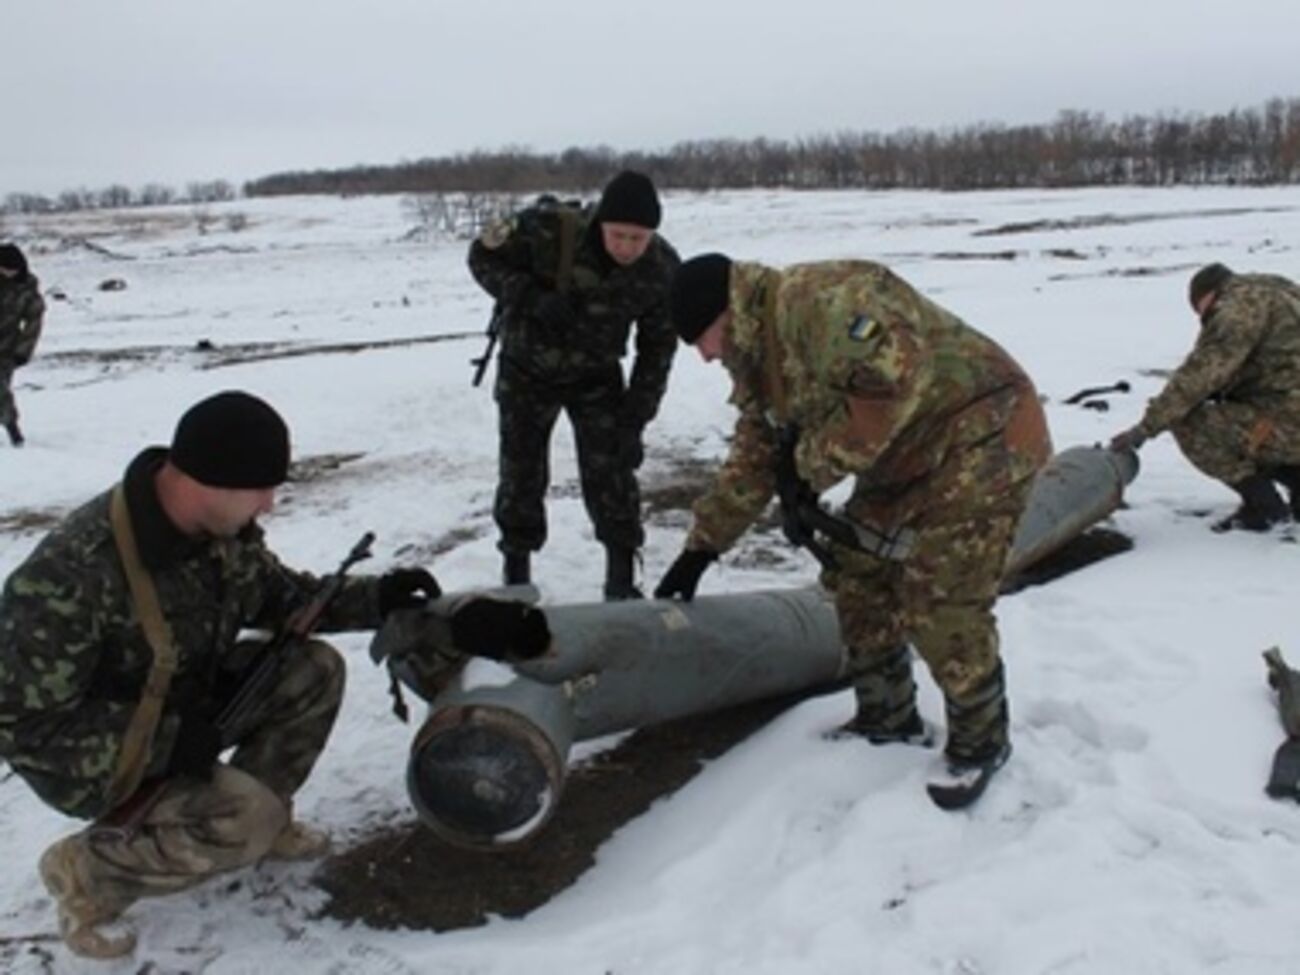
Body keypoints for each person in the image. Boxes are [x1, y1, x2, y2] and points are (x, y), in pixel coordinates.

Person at [0, 390, 546, 959]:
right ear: (206, 480)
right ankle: (88, 873)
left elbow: (286, 601)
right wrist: (161, 743)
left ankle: (255, 819)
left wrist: (384, 599)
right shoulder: (71, 576)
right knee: (243, 819)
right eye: (260, 488)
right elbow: (22, 723)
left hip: (185, 710)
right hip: (95, 757)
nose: (270, 505)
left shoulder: (217, 534)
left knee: (311, 670)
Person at [654, 254, 1051, 810]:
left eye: (705, 337)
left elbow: (888, 394)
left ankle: (981, 739)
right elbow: (757, 452)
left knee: (940, 592)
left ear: (730, 312)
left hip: (985, 434)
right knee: (855, 566)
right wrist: (702, 547)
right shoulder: (757, 353)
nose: (705, 354)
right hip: (906, 456)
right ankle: (887, 714)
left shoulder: (828, 301)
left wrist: (807, 469)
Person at [468, 170, 680, 599]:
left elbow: (657, 349)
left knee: (613, 473)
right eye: (618, 235)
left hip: (596, 376)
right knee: (521, 473)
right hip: (527, 371)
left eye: (637, 239)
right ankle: (517, 574)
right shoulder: (547, 229)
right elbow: (481, 257)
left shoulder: (659, 267)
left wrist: (635, 418)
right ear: (600, 221)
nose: (626, 248)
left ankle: (621, 578)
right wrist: (529, 296)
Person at [1110, 263, 1300, 532]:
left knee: (1189, 421)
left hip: (1290, 420)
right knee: (1248, 415)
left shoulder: (1239, 309)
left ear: (1207, 296)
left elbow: (1199, 376)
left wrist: (1144, 429)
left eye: (1200, 312)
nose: (1203, 319)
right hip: (1287, 412)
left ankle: (1264, 508)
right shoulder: (1278, 289)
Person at [0, 242, 45, 446]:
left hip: (8, 347)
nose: (8, 273)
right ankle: (12, 427)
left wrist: (23, 351)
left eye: (12, 269)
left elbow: (34, 320)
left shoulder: (27, 286)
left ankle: (12, 428)